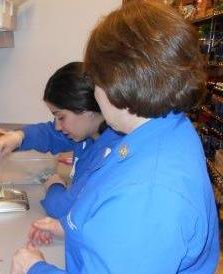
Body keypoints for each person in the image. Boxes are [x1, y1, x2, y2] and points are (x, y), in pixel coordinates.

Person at [11, 1, 220, 274]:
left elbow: (134, 219)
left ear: (116, 80)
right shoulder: (165, 128)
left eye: (96, 79)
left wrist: (33, 269)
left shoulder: (151, 191)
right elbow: (117, 221)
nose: (95, 92)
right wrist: (76, 228)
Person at [0, 62, 123, 219]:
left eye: (61, 117)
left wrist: (54, 185)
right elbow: (49, 134)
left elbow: (64, 208)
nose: (57, 126)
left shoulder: (109, 155)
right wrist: (18, 137)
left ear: (86, 109)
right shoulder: (89, 133)